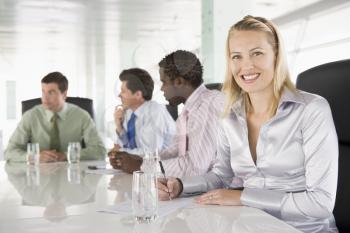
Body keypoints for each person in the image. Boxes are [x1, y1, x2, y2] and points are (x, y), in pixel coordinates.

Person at [158, 16, 338, 233]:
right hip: (247, 224)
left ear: (276, 56)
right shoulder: (229, 115)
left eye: (257, 53)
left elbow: (320, 203)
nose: (246, 66)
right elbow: (221, 176)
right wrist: (181, 185)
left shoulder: (311, 110)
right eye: (237, 56)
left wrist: (243, 197)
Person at [111, 51, 225, 176]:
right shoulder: (187, 112)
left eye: (164, 82)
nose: (161, 89)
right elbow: (171, 152)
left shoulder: (207, 106)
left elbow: (195, 167)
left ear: (179, 82)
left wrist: (141, 166)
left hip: (228, 189)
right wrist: (138, 160)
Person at [5, 72, 106, 162]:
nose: (45, 98)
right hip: (39, 177)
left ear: (64, 94)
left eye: (51, 92)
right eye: (43, 92)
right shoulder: (31, 116)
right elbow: (9, 152)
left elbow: (100, 151)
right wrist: (35, 157)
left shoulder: (81, 115)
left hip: (73, 175)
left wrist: (66, 155)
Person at [108, 68, 175, 170]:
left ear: (138, 95)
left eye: (123, 91)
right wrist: (119, 126)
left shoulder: (155, 112)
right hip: (142, 170)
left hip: (166, 172)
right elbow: (126, 146)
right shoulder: (129, 112)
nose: (119, 95)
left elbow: (151, 153)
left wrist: (120, 153)